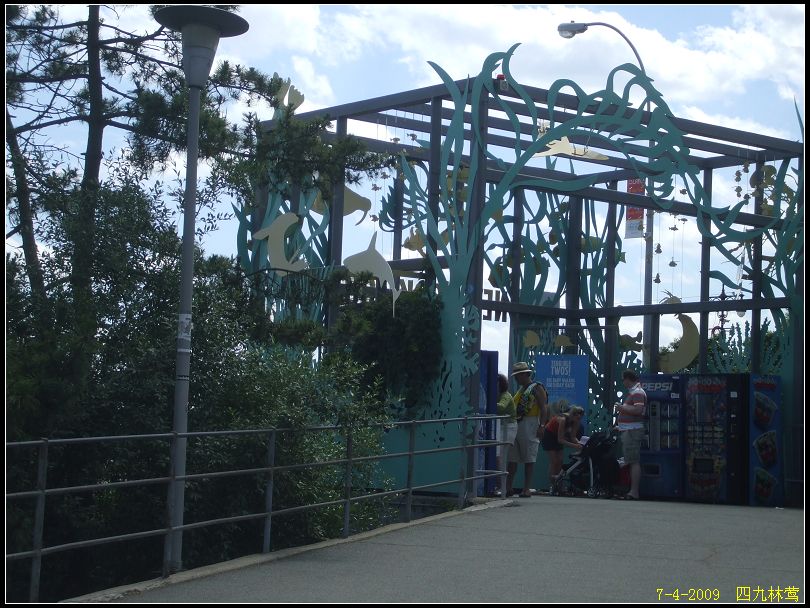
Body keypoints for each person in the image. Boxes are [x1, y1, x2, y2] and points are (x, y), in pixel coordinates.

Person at [506, 361, 549, 498]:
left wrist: (542, 425)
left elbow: (544, 407)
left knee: (529, 457)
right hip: (517, 424)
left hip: (530, 423)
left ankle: (526, 488)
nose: (516, 378)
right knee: (513, 457)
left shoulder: (537, 387)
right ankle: (508, 487)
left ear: (525, 374)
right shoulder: (521, 389)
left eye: (518, 375)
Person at [614, 369, 647, 500]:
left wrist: (621, 407)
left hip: (632, 431)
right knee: (631, 460)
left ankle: (634, 491)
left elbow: (638, 410)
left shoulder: (638, 392)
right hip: (629, 430)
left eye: (623, 379)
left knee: (633, 461)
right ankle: (631, 490)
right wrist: (621, 426)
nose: (623, 382)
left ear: (628, 379)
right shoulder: (634, 392)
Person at [542, 405, 585, 486]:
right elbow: (560, 440)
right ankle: (553, 486)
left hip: (558, 436)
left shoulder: (576, 421)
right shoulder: (563, 419)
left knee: (560, 461)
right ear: (573, 415)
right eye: (577, 417)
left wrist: (580, 444)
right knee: (554, 461)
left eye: (580, 418)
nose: (579, 419)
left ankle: (559, 484)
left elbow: (573, 437)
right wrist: (575, 446)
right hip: (549, 435)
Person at [495, 373, 516, 496]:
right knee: (499, 457)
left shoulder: (506, 396)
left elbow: (501, 407)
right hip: (501, 426)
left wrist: (490, 400)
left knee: (500, 457)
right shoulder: (501, 395)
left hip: (508, 427)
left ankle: (502, 487)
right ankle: (501, 486)